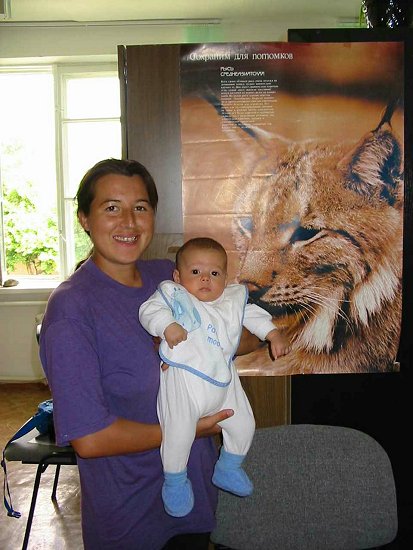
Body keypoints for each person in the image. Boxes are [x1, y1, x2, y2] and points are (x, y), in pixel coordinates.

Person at [39, 159, 258, 550]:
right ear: (84, 218)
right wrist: (192, 428)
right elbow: (90, 439)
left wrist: (208, 343)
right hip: (130, 513)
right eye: (111, 207)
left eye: (140, 207)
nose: (128, 221)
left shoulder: (172, 278)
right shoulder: (72, 310)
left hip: (196, 497)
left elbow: (243, 334)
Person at [139, 237, 290, 518]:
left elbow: (254, 316)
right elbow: (148, 311)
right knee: (178, 432)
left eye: (215, 273)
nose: (205, 279)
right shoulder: (173, 295)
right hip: (184, 378)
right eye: (195, 272)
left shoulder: (231, 299)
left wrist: (273, 334)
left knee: (245, 423)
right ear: (178, 276)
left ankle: (229, 466)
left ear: (225, 277)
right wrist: (167, 325)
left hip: (224, 379)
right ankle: (175, 481)